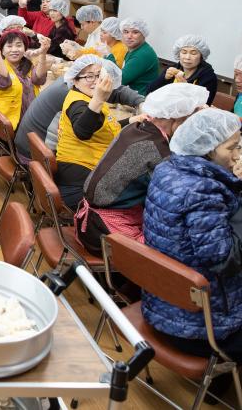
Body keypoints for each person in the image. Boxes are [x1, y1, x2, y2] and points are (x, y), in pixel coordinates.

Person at [142, 108, 242, 364]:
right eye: (233, 147)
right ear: (208, 149)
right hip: (200, 328)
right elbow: (225, 260)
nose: (238, 154)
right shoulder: (204, 189)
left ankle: (219, 382)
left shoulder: (169, 167)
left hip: (163, 304)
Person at [75, 83, 209, 256]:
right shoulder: (158, 150)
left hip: (89, 222)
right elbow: (173, 201)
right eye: (190, 122)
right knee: (182, 247)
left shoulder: (137, 127)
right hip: (105, 235)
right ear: (175, 120)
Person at [55, 55, 142, 208]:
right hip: (79, 183)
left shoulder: (86, 97)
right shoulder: (78, 103)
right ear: (75, 80)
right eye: (89, 76)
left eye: (98, 75)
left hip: (81, 171)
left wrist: (130, 121)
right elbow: (83, 131)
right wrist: (99, 98)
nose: (96, 81)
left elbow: (102, 126)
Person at [0, 29, 49, 130]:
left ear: (25, 48)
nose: (14, 50)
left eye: (19, 45)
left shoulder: (27, 65)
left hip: (30, 118)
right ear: (2, 49)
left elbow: (39, 80)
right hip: (8, 124)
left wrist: (43, 53)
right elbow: (4, 82)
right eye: (9, 46)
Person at [147, 35, 218, 104]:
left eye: (193, 53)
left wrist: (186, 87)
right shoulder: (172, 69)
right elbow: (149, 91)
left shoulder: (208, 77)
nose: (187, 57)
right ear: (178, 54)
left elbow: (203, 104)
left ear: (201, 56)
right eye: (184, 52)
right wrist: (164, 78)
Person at [118, 18, 160, 96]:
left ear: (143, 34)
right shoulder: (134, 50)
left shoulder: (142, 55)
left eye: (135, 32)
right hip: (132, 96)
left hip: (140, 101)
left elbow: (119, 80)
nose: (129, 36)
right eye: (126, 32)